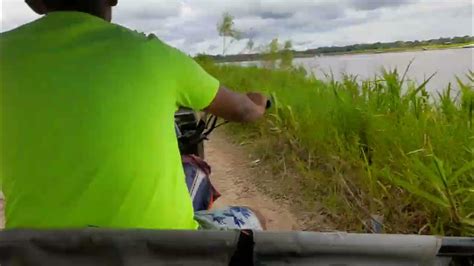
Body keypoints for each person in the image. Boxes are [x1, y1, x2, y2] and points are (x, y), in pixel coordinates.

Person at [0, 0, 267, 230]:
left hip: (35, 253)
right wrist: (260, 101)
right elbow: (243, 110)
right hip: (164, 251)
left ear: (33, 3)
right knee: (256, 218)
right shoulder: (154, 54)